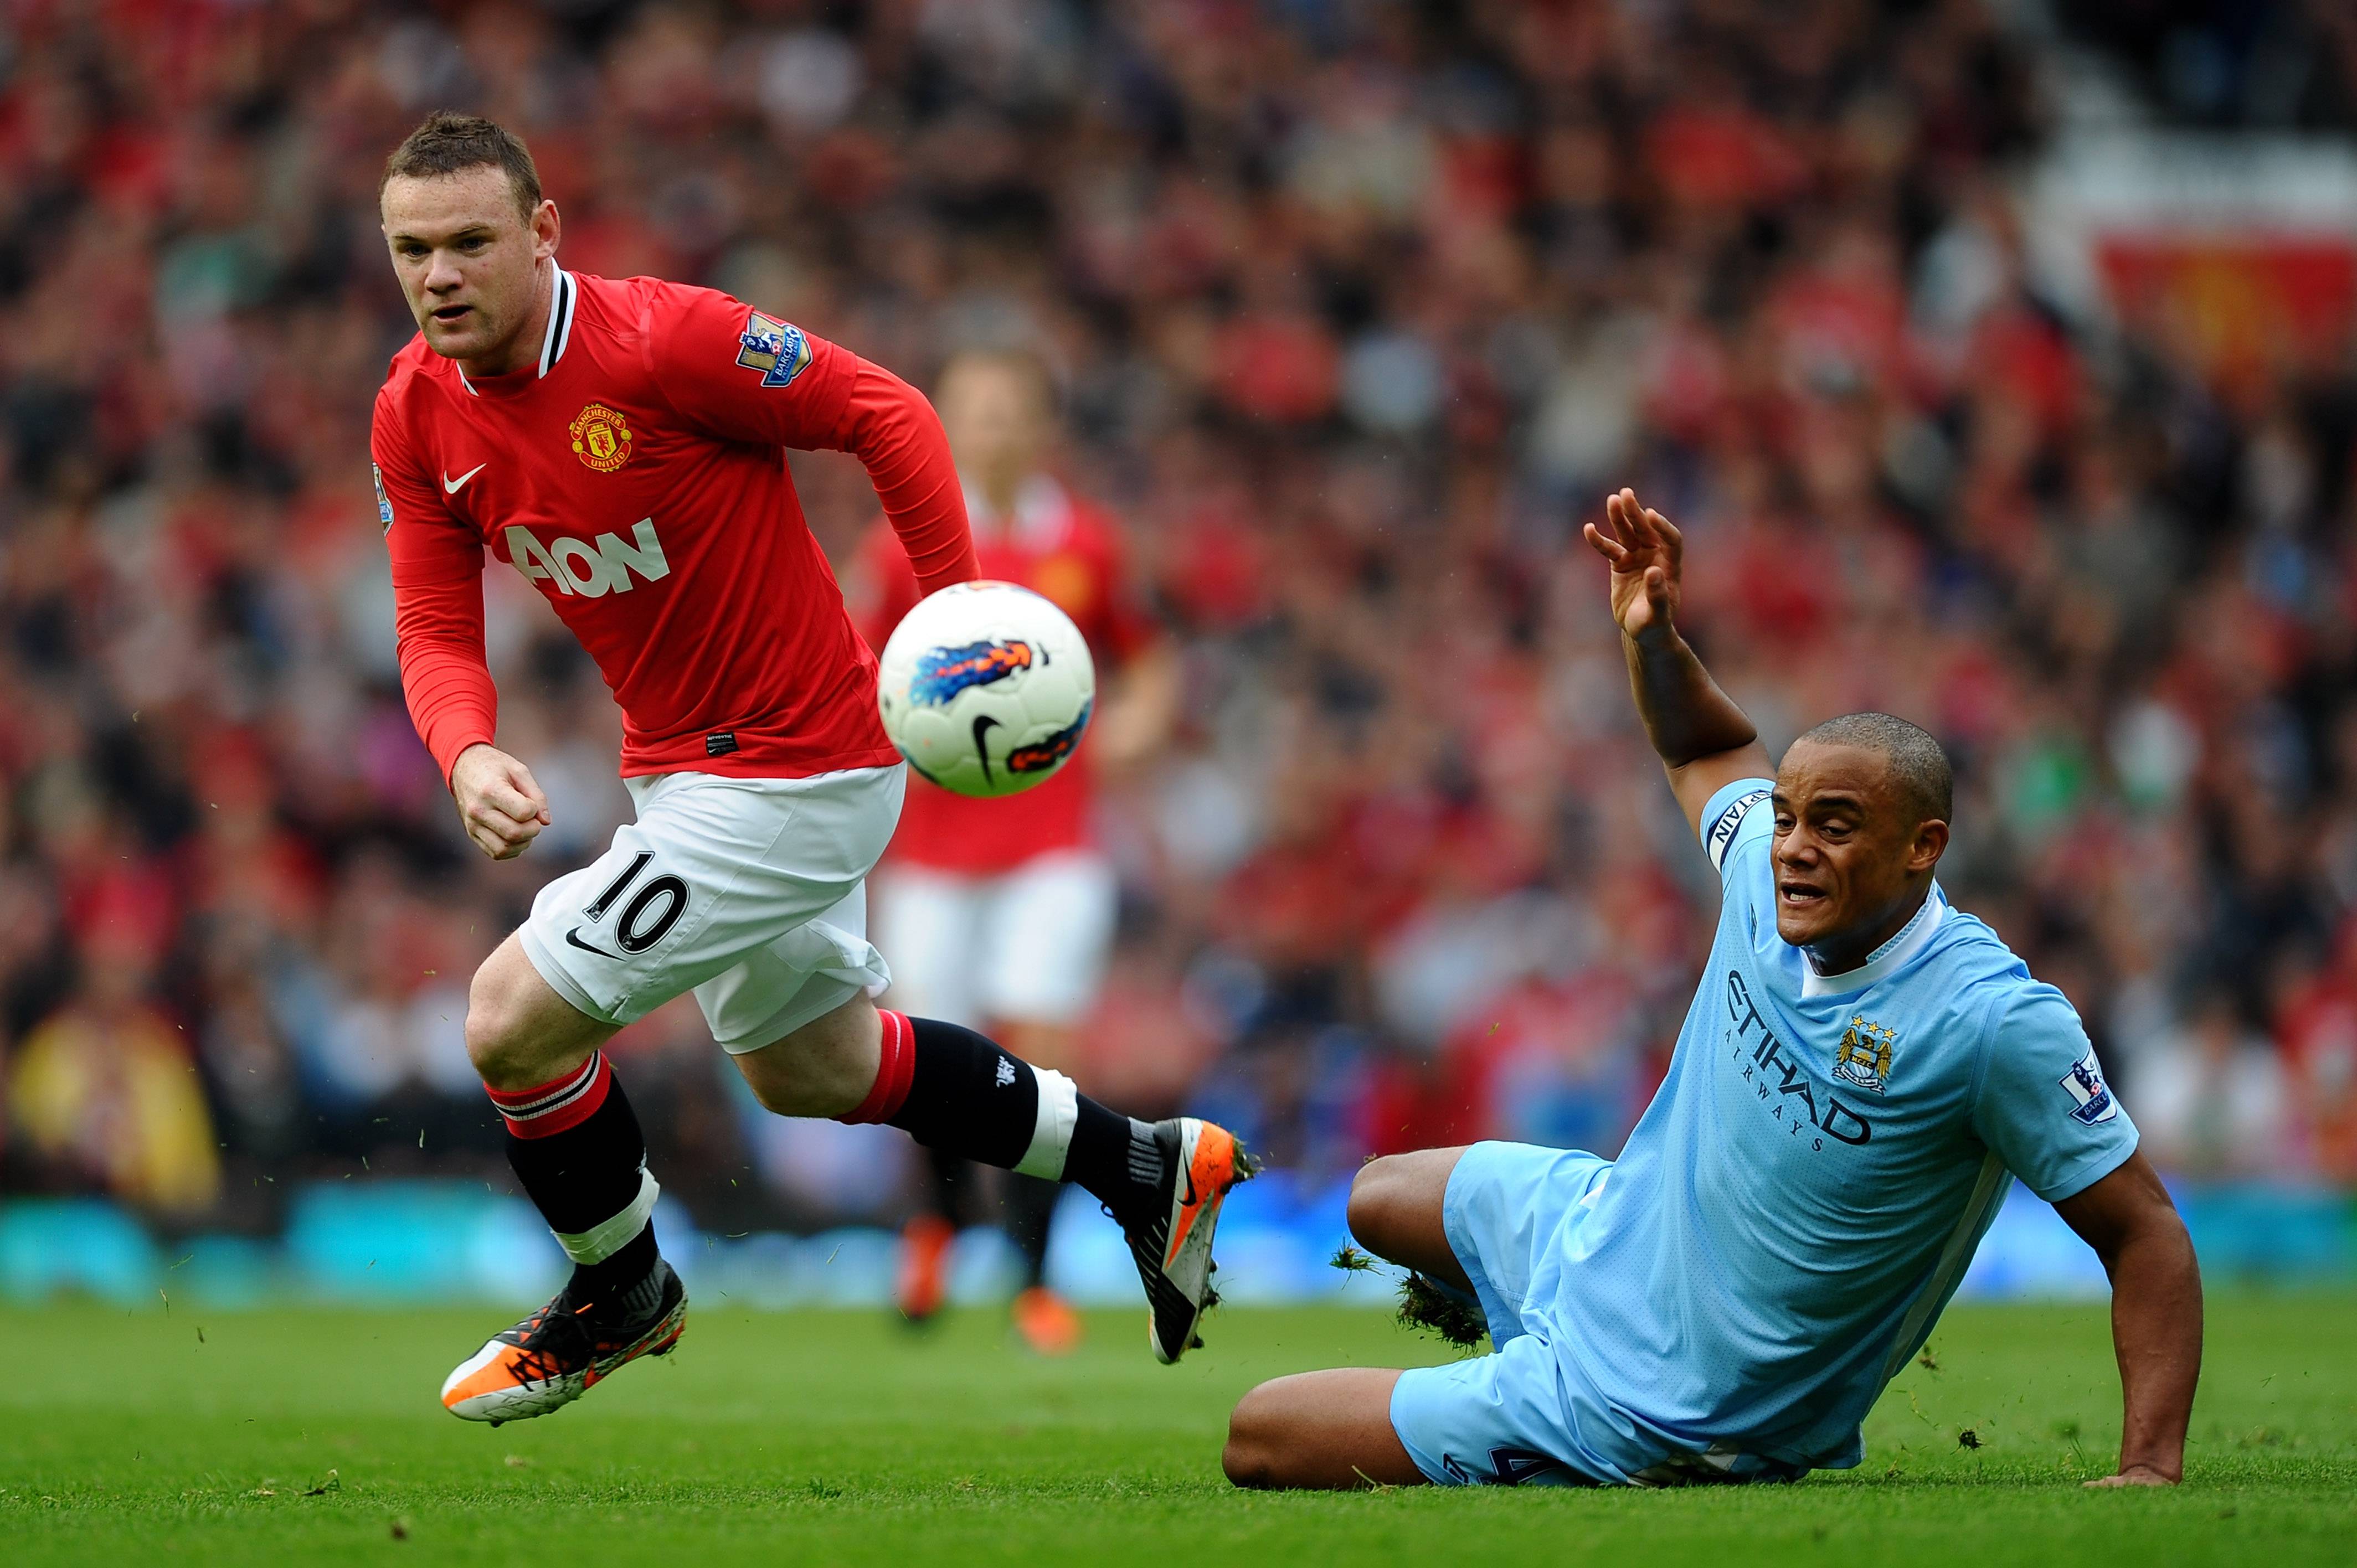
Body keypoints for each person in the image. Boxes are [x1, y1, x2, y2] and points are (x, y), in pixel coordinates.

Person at [370, 112, 1250, 1425]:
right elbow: (436, 625)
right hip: (682, 777)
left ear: (544, 233)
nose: (439, 275)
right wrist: (467, 748)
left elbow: (885, 411)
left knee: (509, 1018)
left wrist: (961, 614)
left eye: (470, 243)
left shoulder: (668, 340)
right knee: (812, 1068)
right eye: (412, 249)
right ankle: (1144, 1166)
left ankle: (620, 1290)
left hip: (799, 768)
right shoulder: (413, 413)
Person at [1220, 489, 2202, 1490]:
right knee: (1374, 1197)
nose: (1794, 850)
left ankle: (1533, 1406)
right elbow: (1703, 749)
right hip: (1608, 1236)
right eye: (1786, 818)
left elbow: (2145, 1233)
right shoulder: (1758, 878)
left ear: (1924, 847)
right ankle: (1526, 1353)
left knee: (1257, 1435)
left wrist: (2150, 1470)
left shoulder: (1990, 1022)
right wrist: (1651, 636)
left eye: (1835, 825)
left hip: (1665, 1407)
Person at [855, 349, 1177, 1353]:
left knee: (1045, 1057)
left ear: (1043, 427)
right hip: (934, 851)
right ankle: (934, 1232)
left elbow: (1146, 660)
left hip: (1052, 843)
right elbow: (855, 664)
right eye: (972, 414)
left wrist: (1139, 722)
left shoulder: (1085, 542)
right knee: (932, 1066)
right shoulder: (897, 544)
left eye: (1007, 413)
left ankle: (1033, 1279)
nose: (989, 431)